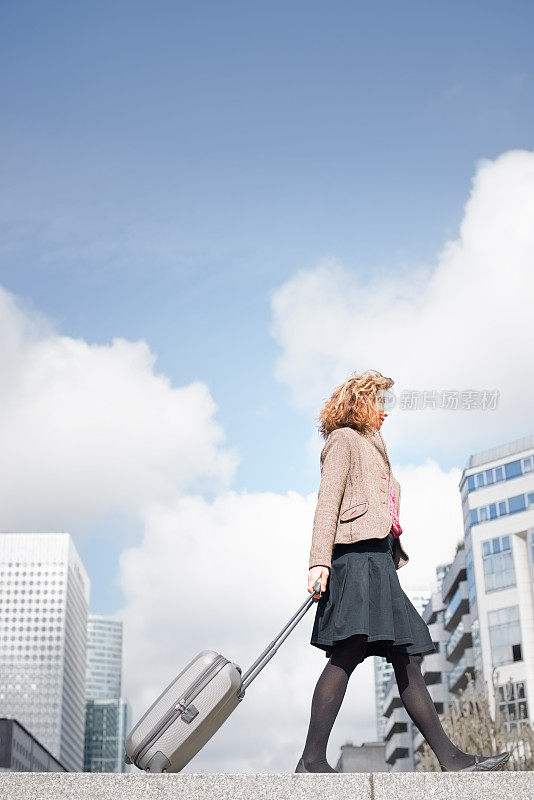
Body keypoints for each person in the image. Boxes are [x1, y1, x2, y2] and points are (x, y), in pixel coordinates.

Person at [295, 369, 510, 774]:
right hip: (356, 561)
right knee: (348, 651)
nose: (385, 413)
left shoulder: (374, 447)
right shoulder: (344, 440)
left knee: (405, 656)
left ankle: (450, 759)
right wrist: (318, 561)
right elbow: (327, 503)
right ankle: (311, 759)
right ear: (360, 403)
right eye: (379, 403)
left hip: (379, 563)